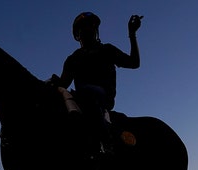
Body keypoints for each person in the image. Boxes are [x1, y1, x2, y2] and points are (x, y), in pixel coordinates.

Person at [54, 11, 142, 154]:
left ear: (96, 31)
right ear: (78, 35)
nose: (88, 31)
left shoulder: (107, 50)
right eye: (84, 29)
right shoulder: (73, 58)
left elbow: (134, 62)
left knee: (87, 91)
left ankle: (106, 141)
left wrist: (132, 34)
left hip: (102, 98)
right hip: (79, 101)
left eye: (91, 27)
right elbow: (62, 84)